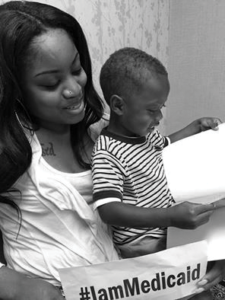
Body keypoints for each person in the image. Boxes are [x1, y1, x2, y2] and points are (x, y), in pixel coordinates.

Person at [0, 2, 223, 300]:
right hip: (56, 289)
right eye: (51, 83)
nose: (74, 89)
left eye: (77, 69)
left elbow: (152, 154)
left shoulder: (100, 131)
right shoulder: (11, 150)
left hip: (118, 278)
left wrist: (200, 260)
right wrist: (29, 289)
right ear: (12, 88)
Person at [91, 47, 225, 299]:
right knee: (189, 291)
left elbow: (166, 143)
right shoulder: (107, 152)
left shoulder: (144, 135)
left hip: (169, 228)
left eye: (161, 107)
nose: (159, 117)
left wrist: (195, 126)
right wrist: (168, 217)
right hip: (141, 244)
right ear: (118, 106)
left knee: (203, 283)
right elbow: (109, 210)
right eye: (152, 110)